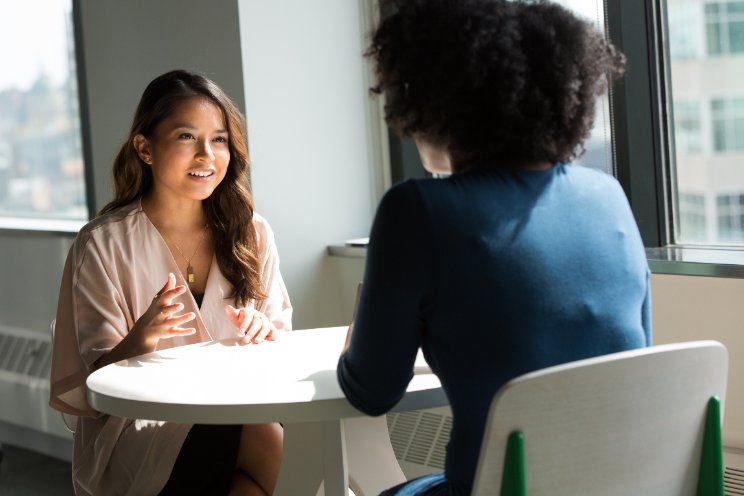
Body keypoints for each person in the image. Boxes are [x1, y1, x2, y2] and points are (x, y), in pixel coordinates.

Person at [336, 1, 651, 495]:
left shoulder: (417, 209)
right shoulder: (608, 196)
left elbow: (371, 392)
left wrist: (361, 338)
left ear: (436, 102)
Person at [49, 69, 292, 496]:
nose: (207, 155)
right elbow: (93, 389)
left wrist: (264, 331)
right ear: (144, 148)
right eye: (186, 137)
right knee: (265, 439)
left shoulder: (252, 232)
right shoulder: (102, 244)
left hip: (239, 409)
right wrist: (139, 340)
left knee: (260, 449)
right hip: (139, 429)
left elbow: (282, 345)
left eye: (219, 139)